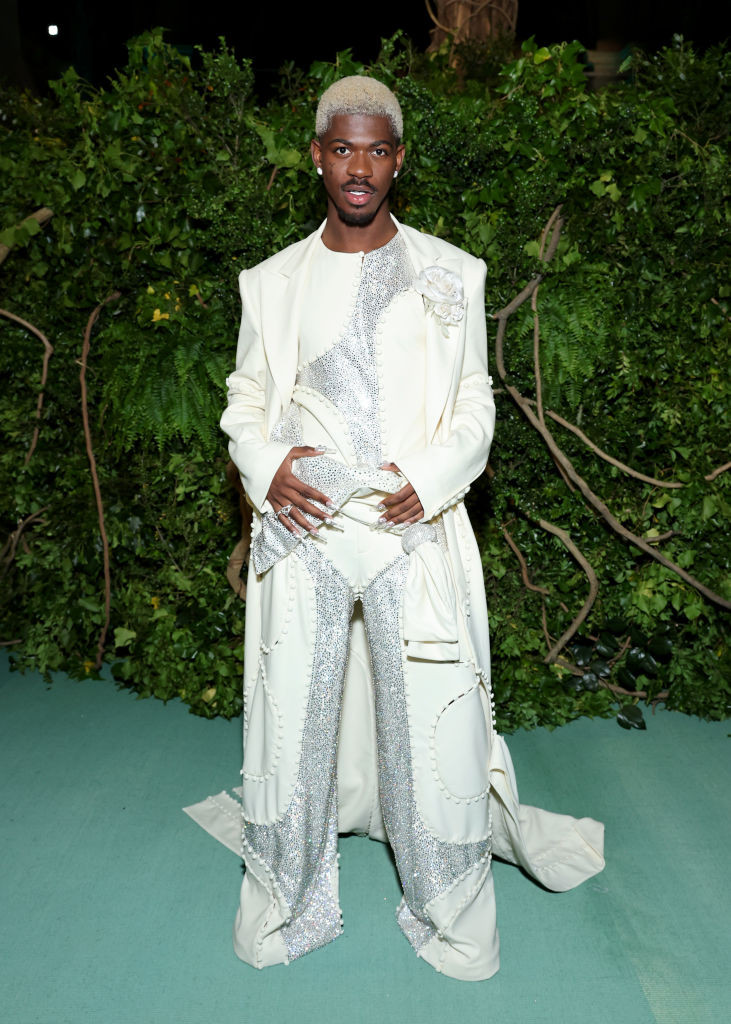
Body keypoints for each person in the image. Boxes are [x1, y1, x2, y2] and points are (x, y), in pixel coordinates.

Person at [188, 75, 605, 981]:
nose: (358, 168)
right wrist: (267, 466)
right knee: (292, 720)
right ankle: (284, 900)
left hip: (412, 523)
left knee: (431, 723)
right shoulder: (269, 282)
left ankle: (449, 911)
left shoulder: (455, 272)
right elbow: (245, 397)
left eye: (376, 150)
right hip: (304, 524)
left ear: (398, 159)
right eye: (342, 149)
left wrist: (428, 478)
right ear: (316, 156)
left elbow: (475, 402)